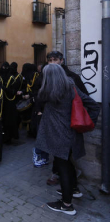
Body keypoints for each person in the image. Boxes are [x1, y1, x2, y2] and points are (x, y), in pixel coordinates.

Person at [35, 64, 100, 216]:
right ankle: (74, 189)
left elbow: (39, 97)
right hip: (71, 134)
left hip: (59, 137)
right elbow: (93, 106)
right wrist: (89, 122)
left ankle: (66, 205)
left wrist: (87, 122)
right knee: (67, 163)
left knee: (62, 166)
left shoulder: (47, 92)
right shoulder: (71, 88)